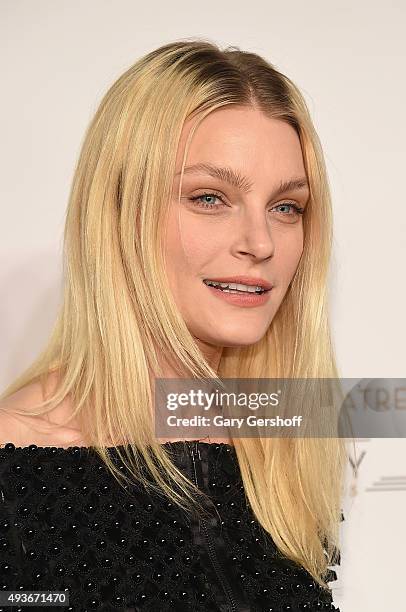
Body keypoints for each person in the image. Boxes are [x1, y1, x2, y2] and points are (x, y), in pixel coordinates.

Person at [0, 39, 346, 611]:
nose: (261, 244)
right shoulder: (17, 470)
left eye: (287, 207)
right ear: (118, 212)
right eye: (211, 198)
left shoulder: (284, 451)